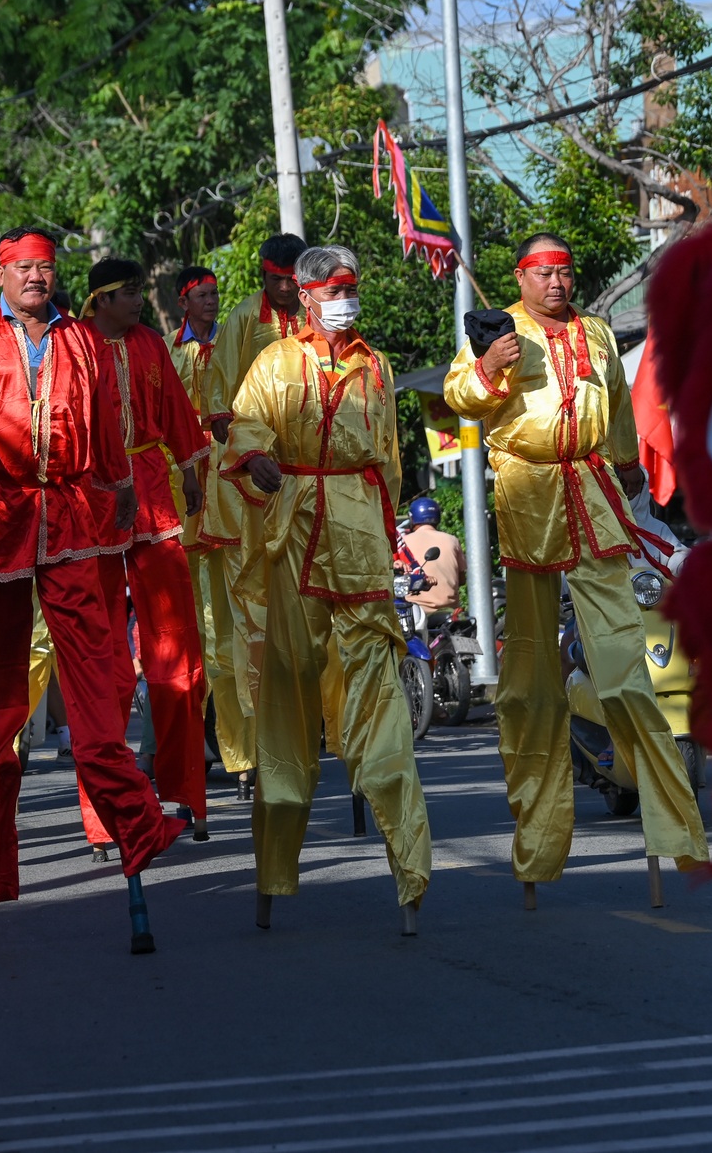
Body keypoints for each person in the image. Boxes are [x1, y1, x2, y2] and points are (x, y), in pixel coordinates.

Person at [0, 226, 187, 952]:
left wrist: (125, 488)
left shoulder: (79, 341)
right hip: (1, 515)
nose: (37, 278)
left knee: (99, 686)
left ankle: (137, 829)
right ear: (2, 275)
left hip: (75, 517)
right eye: (24, 268)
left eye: (46, 268)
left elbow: (107, 427)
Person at [444, 232, 704, 904]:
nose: (557, 282)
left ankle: (673, 829)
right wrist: (489, 367)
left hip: (592, 496)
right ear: (521, 277)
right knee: (531, 685)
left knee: (625, 671)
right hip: (527, 500)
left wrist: (628, 472)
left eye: (565, 271)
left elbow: (617, 414)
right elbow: (459, 400)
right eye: (543, 272)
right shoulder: (500, 330)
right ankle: (537, 844)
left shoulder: (595, 334)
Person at [224, 244, 432, 934]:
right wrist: (256, 458)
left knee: (380, 701)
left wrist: (385, 531)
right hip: (295, 535)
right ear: (306, 295)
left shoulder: (376, 366)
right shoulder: (275, 362)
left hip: (362, 540)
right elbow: (246, 429)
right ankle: (273, 872)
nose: (346, 297)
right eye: (334, 288)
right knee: (286, 695)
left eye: (353, 285)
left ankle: (411, 870)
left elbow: (391, 459)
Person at [80, 257, 211, 836]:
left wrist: (189, 469)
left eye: (138, 291)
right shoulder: (73, 346)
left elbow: (179, 416)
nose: (138, 301)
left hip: (153, 492)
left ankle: (183, 787)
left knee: (175, 647)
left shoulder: (150, 344)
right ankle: (103, 811)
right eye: (130, 293)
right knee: (100, 654)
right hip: (95, 498)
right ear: (102, 298)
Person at [202, 233, 308, 755]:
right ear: (264, 277)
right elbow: (219, 402)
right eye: (276, 279)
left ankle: (316, 723)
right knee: (250, 607)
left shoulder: (320, 316)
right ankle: (252, 739)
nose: (285, 289)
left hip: (311, 477)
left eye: (293, 279)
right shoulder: (246, 317)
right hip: (252, 482)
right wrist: (250, 455)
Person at [168, 264, 255, 795]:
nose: (210, 303)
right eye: (202, 296)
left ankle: (241, 754)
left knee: (231, 629)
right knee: (185, 635)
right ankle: (177, 749)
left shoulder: (232, 347)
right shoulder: (166, 351)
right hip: (180, 493)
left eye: (215, 295)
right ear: (184, 302)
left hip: (226, 487)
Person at [399, 496, 464, 626]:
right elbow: (462, 579)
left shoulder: (403, 543)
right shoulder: (452, 540)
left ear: (412, 519)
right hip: (450, 610)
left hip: (417, 612)